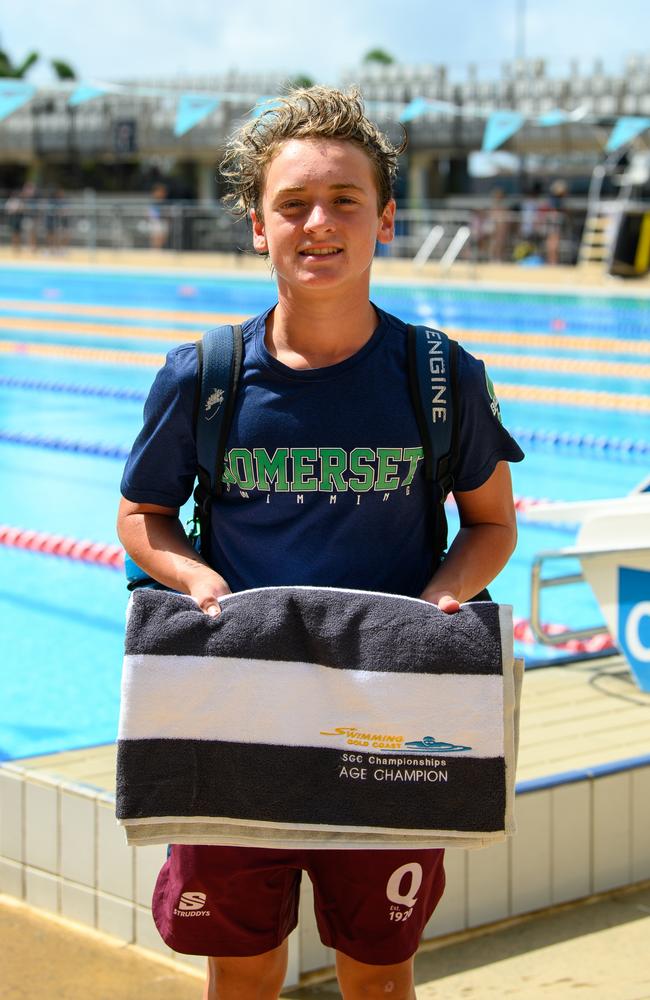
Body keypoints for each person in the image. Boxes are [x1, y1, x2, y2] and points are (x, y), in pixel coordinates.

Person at [117, 86, 524, 1000]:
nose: (319, 222)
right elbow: (142, 515)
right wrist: (194, 575)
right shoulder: (207, 375)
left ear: (385, 219)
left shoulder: (440, 375)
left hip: (386, 717)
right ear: (258, 227)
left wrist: (442, 600)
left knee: (379, 977)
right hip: (237, 712)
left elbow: (490, 523)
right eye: (292, 203)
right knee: (245, 972)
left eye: (344, 200)